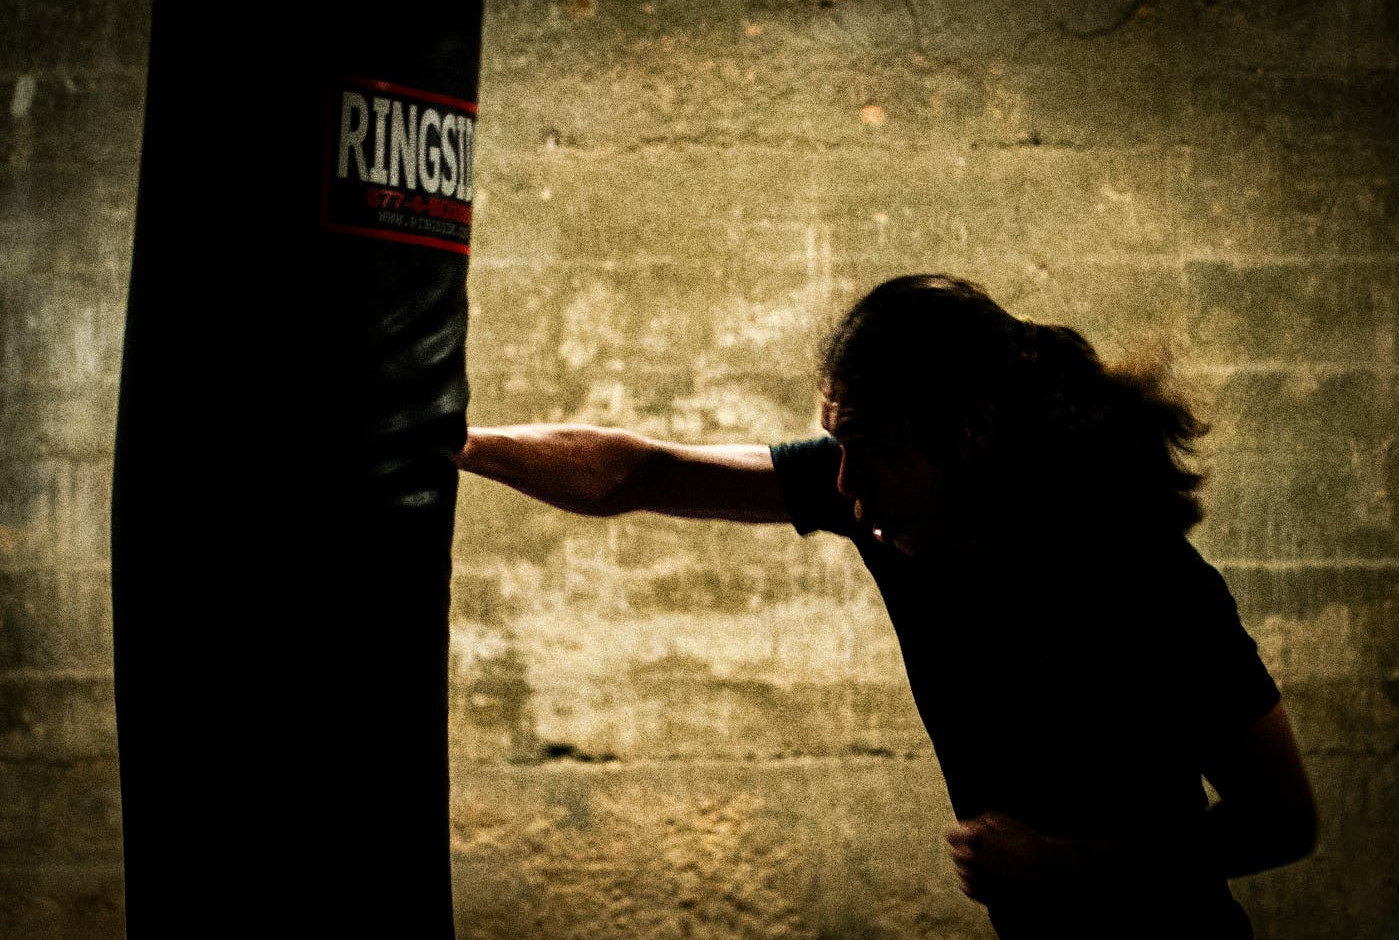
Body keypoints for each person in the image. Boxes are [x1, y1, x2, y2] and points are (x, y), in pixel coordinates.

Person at [454, 274, 1317, 938]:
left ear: (971, 432)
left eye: (864, 444)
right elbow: (642, 471)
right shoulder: (880, 500)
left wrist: (1075, 865)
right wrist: (447, 440)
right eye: (834, 442)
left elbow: (1284, 821)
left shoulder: (1143, 584)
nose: (842, 484)